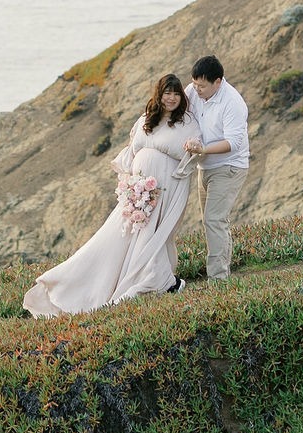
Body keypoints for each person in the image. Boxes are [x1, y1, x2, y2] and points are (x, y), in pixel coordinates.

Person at [24, 73, 200, 316]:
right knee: (121, 236)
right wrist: (131, 184)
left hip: (165, 188)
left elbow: (191, 156)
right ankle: (78, 283)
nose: (171, 98)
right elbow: (131, 149)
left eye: (176, 93)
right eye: (166, 93)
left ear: (181, 96)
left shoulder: (187, 123)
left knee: (151, 234)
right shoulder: (145, 120)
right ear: (158, 96)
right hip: (138, 191)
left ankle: (157, 277)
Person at [184, 54, 249, 279]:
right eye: (194, 84)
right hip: (205, 167)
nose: (196, 89)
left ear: (218, 82)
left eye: (201, 86)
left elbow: (233, 143)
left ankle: (218, 279)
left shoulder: (233, 103)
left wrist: (203, 149)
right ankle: (224, 269)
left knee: (214, 219)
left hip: (229, 166)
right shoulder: (193, 91)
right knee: (212, 220)